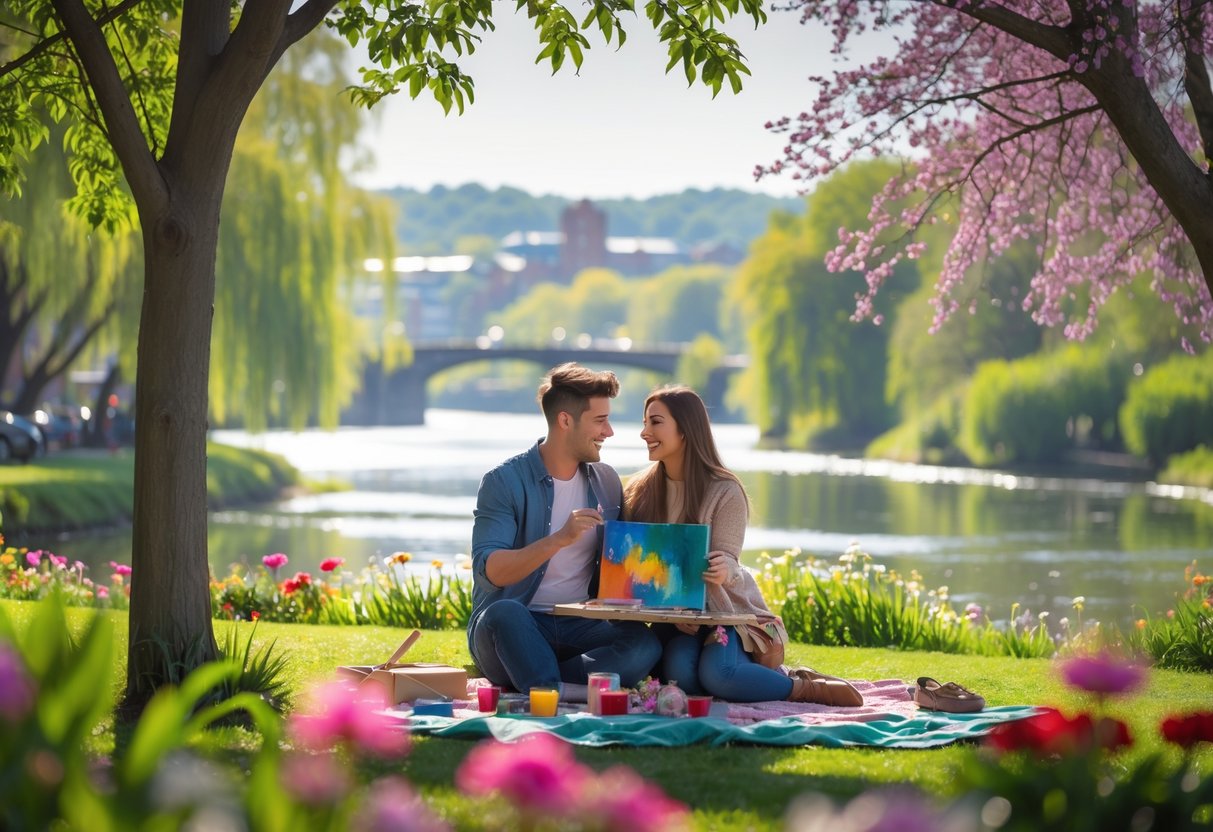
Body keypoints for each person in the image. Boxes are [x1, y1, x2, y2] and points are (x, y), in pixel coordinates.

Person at [624, 385, 863, 706]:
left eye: (655, 422)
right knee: (683, 674)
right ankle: (759, 678)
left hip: (726, 615)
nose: (644, 432)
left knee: (719, 675)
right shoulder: (639, 491)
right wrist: (667, 610)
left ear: (685, 430)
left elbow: (730, 563)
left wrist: (728, 569)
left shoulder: (724, 491)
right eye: (645, 422)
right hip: (676, 624)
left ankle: (803, 687)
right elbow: (636, 571)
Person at [468, 362, 662, 696]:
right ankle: (570, 685)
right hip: (517, 624)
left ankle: (546, 685)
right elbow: (491, 572)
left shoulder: (606, 482)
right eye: (600, 420)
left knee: (643, 644)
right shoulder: (503, 482)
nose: (610, 431)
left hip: (580, 626)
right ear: (565, 421)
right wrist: (558, 539)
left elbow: (625, 564)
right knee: (504, 613)